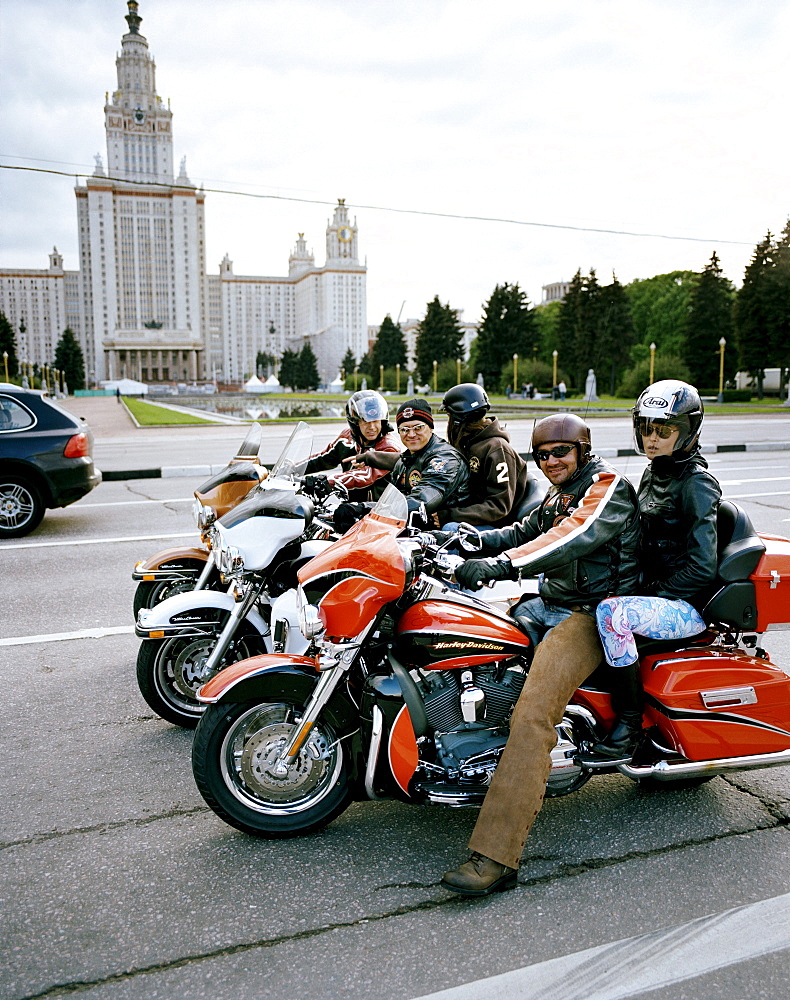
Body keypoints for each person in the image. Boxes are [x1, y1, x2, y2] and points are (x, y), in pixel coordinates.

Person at [441, 413, 640, 896]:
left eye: (560, 452)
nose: (550, 461)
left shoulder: (608, 487)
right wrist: (464, 538)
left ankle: (496, 855)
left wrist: (500, 566)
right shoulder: (558, 491)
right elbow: (525, 529)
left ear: (583, 449)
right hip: (548, 603)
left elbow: (570, 536)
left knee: (532, 715)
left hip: (592, 615)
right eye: (542, 454)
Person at [577, 380, 721, 766]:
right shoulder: (654, 472)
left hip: (686, 605)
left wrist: (655, 591)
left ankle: (628, 725)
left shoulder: (697, 484)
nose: (652, 438)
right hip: (654, 592)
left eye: (664, 430)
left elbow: (702, 566)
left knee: (614, 614)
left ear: (687, 431)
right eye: (646, 429)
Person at [334, 398, 470, 531]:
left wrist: (364, 508)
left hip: (443, 537)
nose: (411, 434)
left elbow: (423, 501)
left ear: (430, 427)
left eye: (418, 428)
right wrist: (368, 457)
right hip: (413, 528)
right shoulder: (412, 456)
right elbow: (397, 461)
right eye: (404, 429)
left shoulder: (444, 458)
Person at [438, 383, 531, 530]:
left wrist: (448, 515)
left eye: (449, 416)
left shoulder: (497, 450)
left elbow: (498, 507)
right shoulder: (466, 443)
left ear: (457, 420)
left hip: (498, 527)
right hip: (471, 516)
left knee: (450, 530)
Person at [304, 390, 400, 500]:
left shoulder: (388, 447)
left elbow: (365, 475)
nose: (372, 427)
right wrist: (291, 469)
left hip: (378, 510)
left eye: (376, 421)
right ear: (355, 423)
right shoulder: (346, 439)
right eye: (366, 422)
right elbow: (322, 459)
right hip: (349, 506)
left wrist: (327, 481)